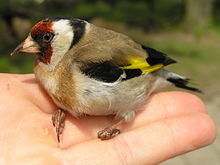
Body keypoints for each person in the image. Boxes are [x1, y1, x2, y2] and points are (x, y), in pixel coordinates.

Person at [0, 73, 216, 165]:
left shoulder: (88, 59)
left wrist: (118, 124)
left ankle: (120, 121)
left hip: (143, 77)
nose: (29, 45)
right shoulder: (48, 70)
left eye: (46, 39)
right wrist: (61, 108)